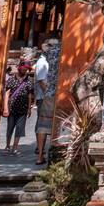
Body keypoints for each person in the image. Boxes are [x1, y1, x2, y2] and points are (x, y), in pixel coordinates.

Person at [34, 36, 60, 165]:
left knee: (43, 126)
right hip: (61, 92)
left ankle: (39, 156)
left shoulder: (48, 54)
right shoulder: (61, 51)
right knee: (59, 124)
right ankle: (56, 155)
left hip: (49, 93)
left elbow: (43, 47)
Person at [2, 62, 34, 156]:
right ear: (19, 68)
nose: (25, 70)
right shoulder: (12, 79)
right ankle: (7, 146)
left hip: (23, 109)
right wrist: (5, 108)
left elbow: (29, 95)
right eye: (24, 68)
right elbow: (7, 94)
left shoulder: (28, 81)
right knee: (10, 127)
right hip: (12, 108)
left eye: (27, 69)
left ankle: (15, 148)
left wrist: (29, 108)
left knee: (19, 129)